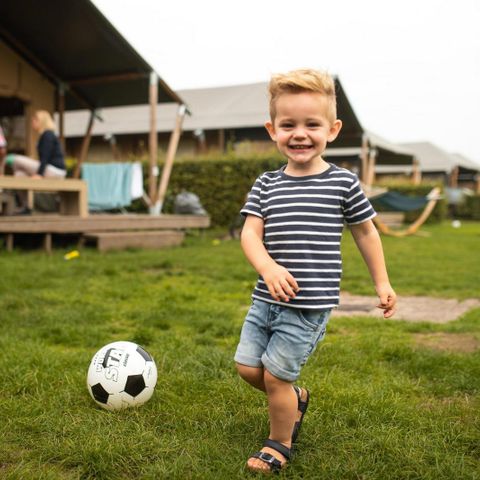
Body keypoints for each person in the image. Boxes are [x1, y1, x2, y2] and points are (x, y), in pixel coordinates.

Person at [234, 69, 396, 474]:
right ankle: (294, 396)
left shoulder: (342, 183)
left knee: (274, 378)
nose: (300, 134)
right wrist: (268, 267)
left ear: (333, 129)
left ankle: (279, 443)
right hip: (265, 298)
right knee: (247, 369)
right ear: (273, 130)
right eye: (288, 125)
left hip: (308, 306)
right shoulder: (266, 184)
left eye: (312, 124)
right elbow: (250, 235)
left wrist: (382, 282)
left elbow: (366, 233)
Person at [5, 110, 66, 212]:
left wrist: (39, 174)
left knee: (15, 159)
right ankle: (26, 206)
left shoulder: (48, 135)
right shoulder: (44, 136)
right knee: (19, 175)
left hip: (54, 170)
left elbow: (45, 157)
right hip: (48, 169)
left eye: (34, 120)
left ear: (41, 121)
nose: (32, 123)